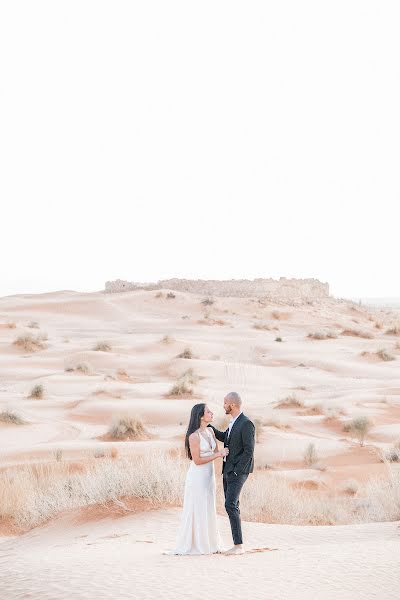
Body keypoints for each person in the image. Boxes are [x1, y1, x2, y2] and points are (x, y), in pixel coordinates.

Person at [166, 403, 229, 555]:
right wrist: (219, 454)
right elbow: (197, 460)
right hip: (197, 477)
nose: (212, 413)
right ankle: (199, 544)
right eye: (208, 411)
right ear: (201, 415)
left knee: (208, 506)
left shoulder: (210, 431)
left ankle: (210, 543)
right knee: (198, 507)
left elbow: (213, 451)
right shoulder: (193, 436)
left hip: (209, 476)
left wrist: (219, 453)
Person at [208, 391, 255, 555]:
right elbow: (225, 439)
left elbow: (249, 451)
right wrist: (210, 428)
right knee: (233, 505)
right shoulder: (233, 422)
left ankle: (239, 546)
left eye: (225, 402)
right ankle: (238, 544)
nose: (223, 405)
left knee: (230, 505)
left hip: (237, 472)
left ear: (233, 405)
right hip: (227, 470)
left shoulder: (246, 423)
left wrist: (237, 471)